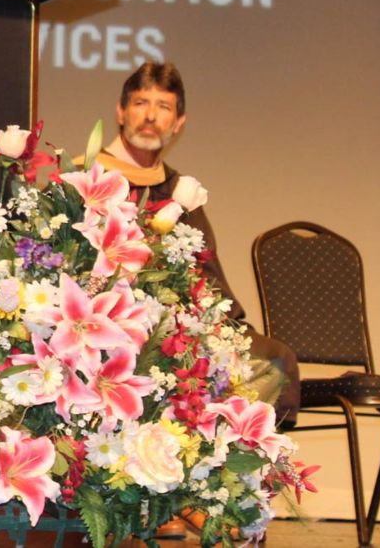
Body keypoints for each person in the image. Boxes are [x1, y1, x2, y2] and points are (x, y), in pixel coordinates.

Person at [87, 61, 300, 427]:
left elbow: (207, 271)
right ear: (121, 112)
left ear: (178, 123)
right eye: (140, 103)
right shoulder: (89, 180)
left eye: (164, 107)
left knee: (274, 359)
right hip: (111, 321)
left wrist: (219, 325)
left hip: (181, 322)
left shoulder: (180, 191)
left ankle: (235, 465)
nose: (151, 116)